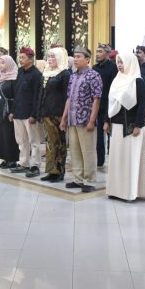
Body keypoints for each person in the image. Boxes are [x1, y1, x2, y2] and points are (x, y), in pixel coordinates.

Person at [104, 52, 145, 201]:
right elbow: (109, 102)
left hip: (131, 128)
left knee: (130, 160)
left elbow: (142, 106)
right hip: (115, 126)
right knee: (117, 159)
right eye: (118, 62)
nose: (119, 65)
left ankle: (129, 192)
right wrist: (106, 121)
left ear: (130, 63)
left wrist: (138, 125)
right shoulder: (117, 80)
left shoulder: (138, 81)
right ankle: (115, 191)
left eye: (122, 62)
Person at [60, 46, 103, 193]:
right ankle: (77, 179)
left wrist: (92, 120)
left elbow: (96, 100)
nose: (76, 59)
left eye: (79, 57)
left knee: (88, 151)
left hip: (86, 120)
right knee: (75, 151)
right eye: (75, 56)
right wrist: (64, 118)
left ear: (87, 59)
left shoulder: (94, 75)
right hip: (72, 120)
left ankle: (89, 180)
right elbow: (68, 98)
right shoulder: (73, 75)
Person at [36, 47, 70, 181]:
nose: (50, 60)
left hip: (58, 114)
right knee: (49, 143)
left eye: (53, 57)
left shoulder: (64, 74)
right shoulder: (46, 72)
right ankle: (51, 171)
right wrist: (39, 111)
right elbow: (41, 93)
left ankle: (59, 171)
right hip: (46, 113)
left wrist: (64, 117)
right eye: (48, 57)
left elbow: (67, 96)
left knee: (59, 143)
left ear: (60, 58)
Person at [10, 47, 42, 176]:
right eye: (20, 57)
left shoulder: (36, 74)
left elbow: (37, 96)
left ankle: (35, 166)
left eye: (23, 57)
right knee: (21, 141)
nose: (20, 59)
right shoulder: (20, 72)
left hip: (30, 114)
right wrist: (12, 111)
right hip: (18, 112)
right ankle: (24, 163)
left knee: (34, 141)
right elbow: (16, 94)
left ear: (31, 59)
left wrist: (34, 114)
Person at [93, 43, 118, 168]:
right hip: (96, 104)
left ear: (107, 54)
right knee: (98, 134)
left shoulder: (113, 68)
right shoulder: (94, 68)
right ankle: (100, 159)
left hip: (110, 104)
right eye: (97, 51)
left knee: (110, 133)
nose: (97, 54)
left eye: (100, 51)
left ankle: (112, 158)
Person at [0, 55, 20, 168]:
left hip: (9, 110)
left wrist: (13, 111)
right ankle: (4, 158)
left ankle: (12, 159)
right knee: (1, 135)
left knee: (10, 135)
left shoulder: (14, 78)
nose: (0, 65)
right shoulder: (0, 77)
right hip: (0, 110)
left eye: (3, 63)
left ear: (9, 64)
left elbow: (17, 96)